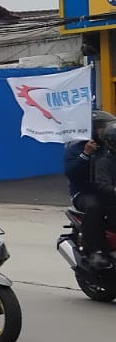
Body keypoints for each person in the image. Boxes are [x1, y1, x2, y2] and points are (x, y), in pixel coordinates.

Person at [66, 111, 116, 268]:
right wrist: (86, 155)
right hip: (84, 192)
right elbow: (71, 173)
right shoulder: (76, 148)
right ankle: (95, 250)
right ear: (93, 129)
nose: (105, 130)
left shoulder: (110, 145)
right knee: (95, 208)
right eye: (102, 127)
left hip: (107, 191)